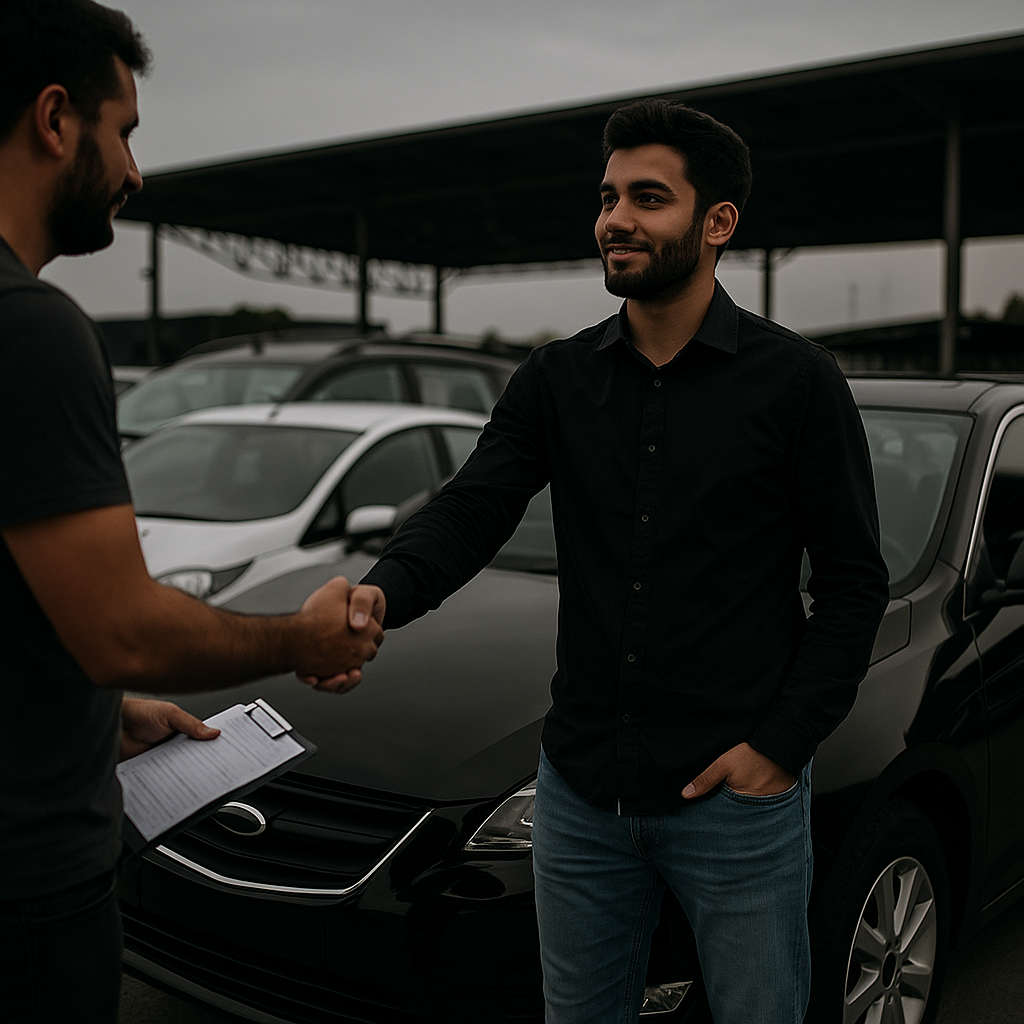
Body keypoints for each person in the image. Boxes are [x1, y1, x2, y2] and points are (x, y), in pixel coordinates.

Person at [345, 98, 889, 1023]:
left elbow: (852, 584)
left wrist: (779, 749)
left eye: (648, 197)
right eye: (607, 198)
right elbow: (473, 510)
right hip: (580, 795)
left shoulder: (797, 382)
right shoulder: (555, 380)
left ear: (717, 222)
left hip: (735, 801)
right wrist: (378, 595)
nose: (615, 220)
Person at [0, 3, 381, 1021]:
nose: (134, 172)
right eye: (123, 131)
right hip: (28, 893)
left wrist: (95, 715)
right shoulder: (32, 331)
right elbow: (120, 629)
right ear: (54, 118)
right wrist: (299, 637)